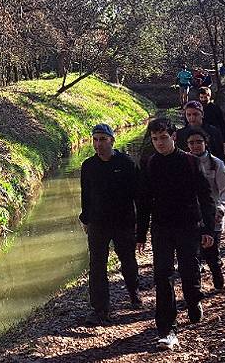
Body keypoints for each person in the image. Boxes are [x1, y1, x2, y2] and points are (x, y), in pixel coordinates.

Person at [136, 118, 217, 351]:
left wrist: (208, 229)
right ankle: (167, 328)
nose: (159, 143)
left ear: (173, 137)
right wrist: (140, 234)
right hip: (161, 227)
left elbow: (206, 198)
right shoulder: (150, 164)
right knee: (163, 275)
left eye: (163, 138)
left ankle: (193, 300)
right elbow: (143, 201)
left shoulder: (190, 162)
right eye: (154, 139)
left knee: (189, 271)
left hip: (188, 226)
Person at [79, 123, 141, 325]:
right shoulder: (88, 166)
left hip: (123, 222)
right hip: (98, 223)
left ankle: (134, 291)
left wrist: (140, 224)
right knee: (97, 266)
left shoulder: (126, 163)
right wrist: (85, 219)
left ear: (112, 141)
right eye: (95, 139)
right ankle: (100, 309)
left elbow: (137, 196)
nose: (98, 144)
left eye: (103, 139)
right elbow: (85, 195)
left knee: (128, 261)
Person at [185, 128, 225, 291]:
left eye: (199, 142)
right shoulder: (184, 163)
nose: (195, 145)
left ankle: (218, 277)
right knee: (193, 256)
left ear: (206, 143)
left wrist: (221, 210)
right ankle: (195, 290)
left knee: (212, 252)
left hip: (213, 216)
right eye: (191, 142)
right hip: (191, 217)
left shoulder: (216, 164)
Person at [196, 87, 225, 164]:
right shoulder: (197, 109)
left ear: (209, 96)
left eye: (205, 97)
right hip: (201, 135)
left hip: (215, 136)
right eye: (201, 97)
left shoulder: (215, 108)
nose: (203, 99)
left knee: (218, 156)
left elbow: (222, 123)